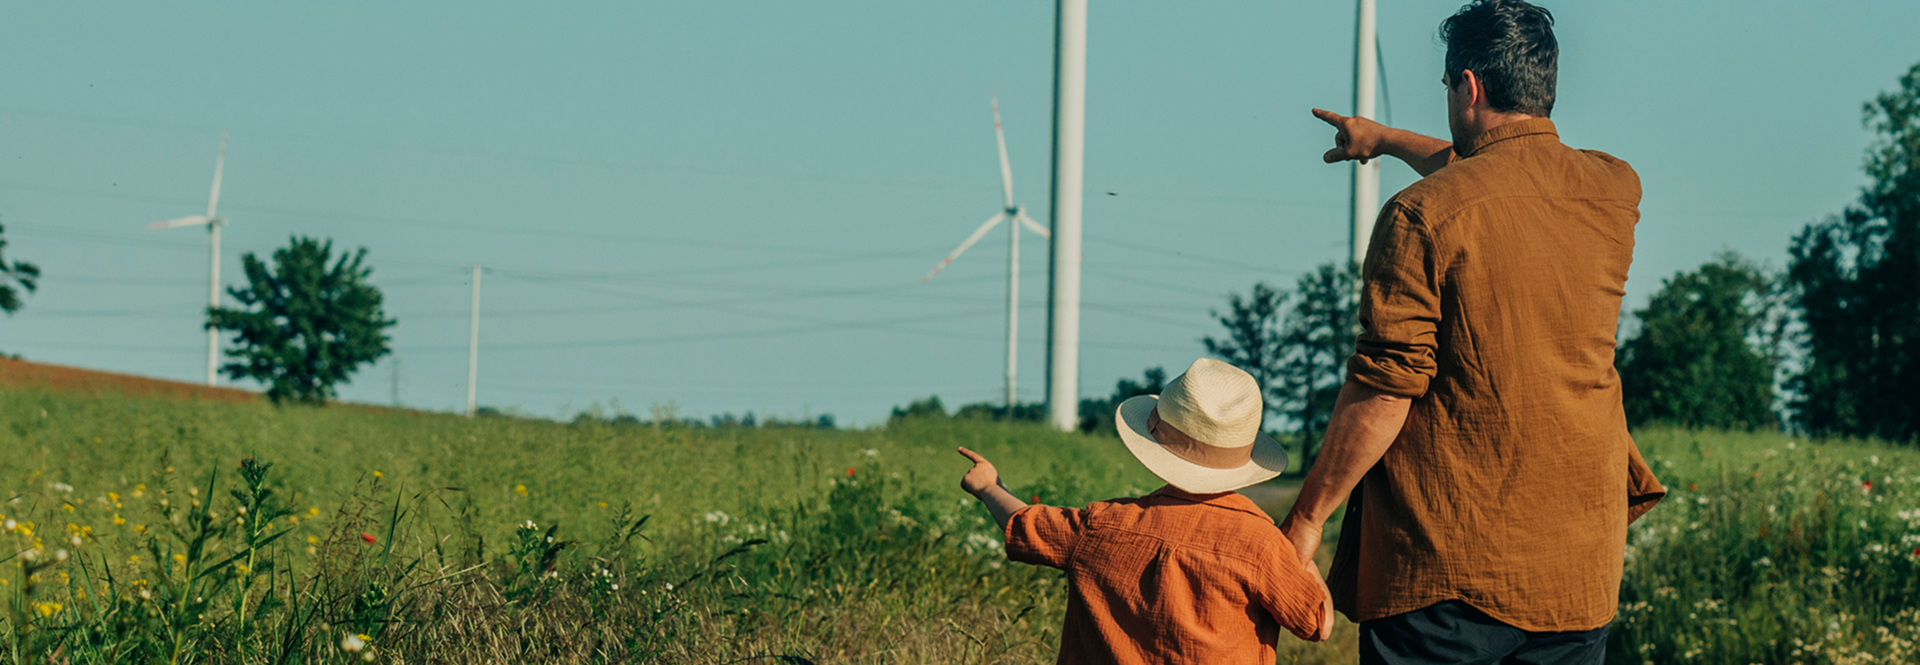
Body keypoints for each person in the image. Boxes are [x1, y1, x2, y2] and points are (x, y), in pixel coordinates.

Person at [1279, 1, 1666, 663]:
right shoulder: (1612, 188)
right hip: (1578, 568)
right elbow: (1503, 174)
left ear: (1469, 86)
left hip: (1448, 569)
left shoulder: (1418, 216)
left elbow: (1385, 391)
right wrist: (1386, 138)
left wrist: (1307, 519)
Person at [957, 358, 1332, 665]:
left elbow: (1023, 525)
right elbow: (1317, 622)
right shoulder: (1261, 545)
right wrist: (1299, 548)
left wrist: (989, 487)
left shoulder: (1100, 524)